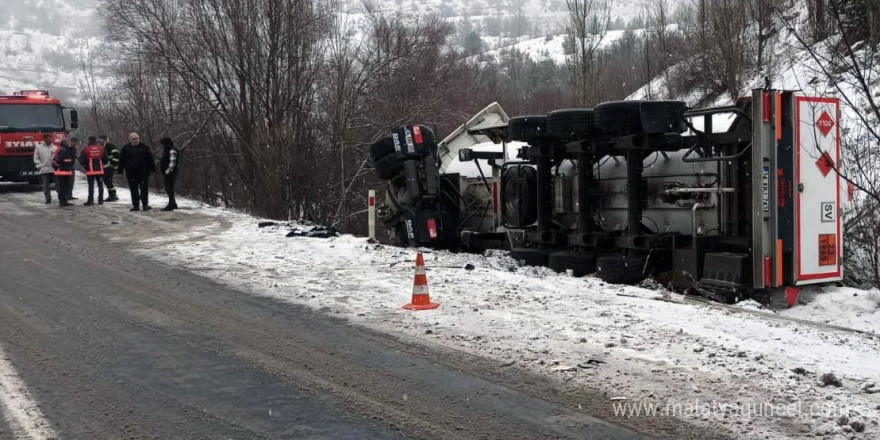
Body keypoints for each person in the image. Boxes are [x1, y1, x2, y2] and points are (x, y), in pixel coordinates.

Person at [117, 132, 156, 211]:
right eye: (134, 139)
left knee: (144, 189)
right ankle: (136, 205)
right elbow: (122, 160)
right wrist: (120, 170)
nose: (135, 140)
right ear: (130, 139)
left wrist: (152, 169)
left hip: (143, 172)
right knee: (133, 190)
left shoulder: (144, 147)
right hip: (131, 173)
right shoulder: (126, 148)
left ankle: (145, 204)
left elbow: (150, 159)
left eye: (137, 138)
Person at [79, 136, 108, 206]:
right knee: (100, 185)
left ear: (89, 141)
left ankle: (90, 200)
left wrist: (85, 166)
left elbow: (81, 159)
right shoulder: (101, 148)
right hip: (100, 170)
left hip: (90, 170)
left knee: (91, 185)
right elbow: (106, 159)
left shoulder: (86, 149)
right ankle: (100, 200)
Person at [33, 134, 56, 204]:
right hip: (44, 170)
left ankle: (61, 198)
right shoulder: (38, 148)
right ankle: (48, 199)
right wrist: (40, 165)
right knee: (46, 185)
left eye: (51, 139)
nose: (51, 140)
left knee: (58, 185)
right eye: (49, 139)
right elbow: (36, 158)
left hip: (54, 169)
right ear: (44, 139)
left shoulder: (55, 147)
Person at [53, 138, 76, 207]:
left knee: (63, 186)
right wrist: (67, 164)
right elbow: (60, 159)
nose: (69, 142)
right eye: (68, 141)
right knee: (64, 186)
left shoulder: (60, 148)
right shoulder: (64, 149)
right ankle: (63, 201)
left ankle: (63, 201)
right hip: (64, 170)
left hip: (62, 170)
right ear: (65, 143)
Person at [159, 137, 180, 211]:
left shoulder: (171, 150)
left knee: (169, 188)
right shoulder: (169, 149)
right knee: (169, 188)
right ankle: (173, 203)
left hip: (170, 173)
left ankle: (171, 204)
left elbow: (172, 162)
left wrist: (168, 170)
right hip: (169, 172)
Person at [98, 135, 120, 202]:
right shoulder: (102, 147)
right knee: (107, 181)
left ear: (104, 140)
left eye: (100, 140)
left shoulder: (110, 146)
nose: (98, 141)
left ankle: (113, 195)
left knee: (108, 181)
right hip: (106, 166)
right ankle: (112, 195)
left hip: (111, 166)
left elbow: (117, 155)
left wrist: (113, 164)